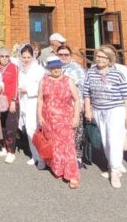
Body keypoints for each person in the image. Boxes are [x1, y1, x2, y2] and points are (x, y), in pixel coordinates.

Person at [83, 46, 127, 189]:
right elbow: (86, 92)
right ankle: (111, 166)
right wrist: (88, 110)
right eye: (98, 56)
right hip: (98, 110)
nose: (99, 59)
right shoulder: (91, 72)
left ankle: (116, 171)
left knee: (114, 139)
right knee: (105, 140)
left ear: (110, 59)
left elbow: (126, 95)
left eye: (103, 57)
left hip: (116, 109)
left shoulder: (117, 73)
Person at [37, 55, 81, 189]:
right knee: (54, 145)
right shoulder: (44, 81)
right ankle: (58, 168)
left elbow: (77, 99)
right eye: (53, 67)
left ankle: (72, 174)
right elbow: (40, 99)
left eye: (58, 67)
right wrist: (39, 115)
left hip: (65, 119)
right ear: (49, 69)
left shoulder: (68, 80)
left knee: (68, 146)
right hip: (49, 119)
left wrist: (76, 117)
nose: (56, 70)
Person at [56, 45, 85, 167]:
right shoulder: (53, 68)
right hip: (58, 106)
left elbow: (83, 87)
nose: (63, 57)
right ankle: (63, 156)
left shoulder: (76, 68)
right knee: (61, 132)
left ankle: (77, 157)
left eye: (66, 55)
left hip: (74, 104)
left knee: (76, 130)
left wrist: (83, 104)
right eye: (61, 54)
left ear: (70, 55)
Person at [18, 44, 46, 168]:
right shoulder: (21, 70)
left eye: (28, 57)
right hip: (24, 101)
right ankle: (34, 155)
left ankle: (41, 158)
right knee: (27, 129)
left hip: (34, 101)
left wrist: (27, 89)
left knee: (33, 130)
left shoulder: (39, 69)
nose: (26, 60)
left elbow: (42, 86)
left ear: (33, 57)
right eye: (23, 57)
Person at [0, 47, 19, 164]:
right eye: (2, 56)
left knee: (11, 127)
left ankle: (11, 151)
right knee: (2, 126)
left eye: (7, 56)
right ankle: (4, 146)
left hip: (10, 101)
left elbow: (15, 84)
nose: (4, 58)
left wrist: (14, 100)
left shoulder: (13, 67)